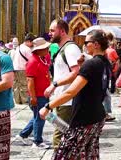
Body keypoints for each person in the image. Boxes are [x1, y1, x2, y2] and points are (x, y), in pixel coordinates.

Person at [39, 30, 110, 159]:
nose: (84, 45)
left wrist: (48, 106)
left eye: (86, 42)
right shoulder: (105, 63)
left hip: (84, 118)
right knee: (89, 154)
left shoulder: (91, 64)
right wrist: (83, 66)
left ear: (96, 44)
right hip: (97, 115)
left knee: (64, 155)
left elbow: (71, 91)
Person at [44, 19, 83, 149]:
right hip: (61, 99)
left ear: (62, 31)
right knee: (64, 135)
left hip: (68, 101)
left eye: (52, 30)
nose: (49, 33)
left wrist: (54, 84)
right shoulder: (62, 49)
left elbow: (75, 73)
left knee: (59, 138)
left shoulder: (70, 48)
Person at [17, 38, 52, 149]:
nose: (47, 49)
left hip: (44, 93)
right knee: (40, 117)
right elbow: (30, 81)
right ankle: (37, 141)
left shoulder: (44, 58)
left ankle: (23, 134)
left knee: (38, 116)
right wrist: (33, 97)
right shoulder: (33, 62)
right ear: (38, 50)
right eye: (45, 48)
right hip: (37, 94)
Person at [12, 33, 35, 104]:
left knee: (16, 85)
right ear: (29, 41)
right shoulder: (27, 49)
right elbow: (31, 60)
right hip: (22, 68)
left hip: (15, 68)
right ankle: (25, 100)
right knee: (24, 85)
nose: (32, 45)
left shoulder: (19, 47)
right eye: (32, 43)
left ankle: (17, 100)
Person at [104, 32, 118, 121]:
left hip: (105, 71)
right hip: (104, 72)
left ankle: (104, 113)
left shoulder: (106, 49)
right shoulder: (107, 49)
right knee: (106, 94)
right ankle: (105, 113)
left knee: (105, 94)